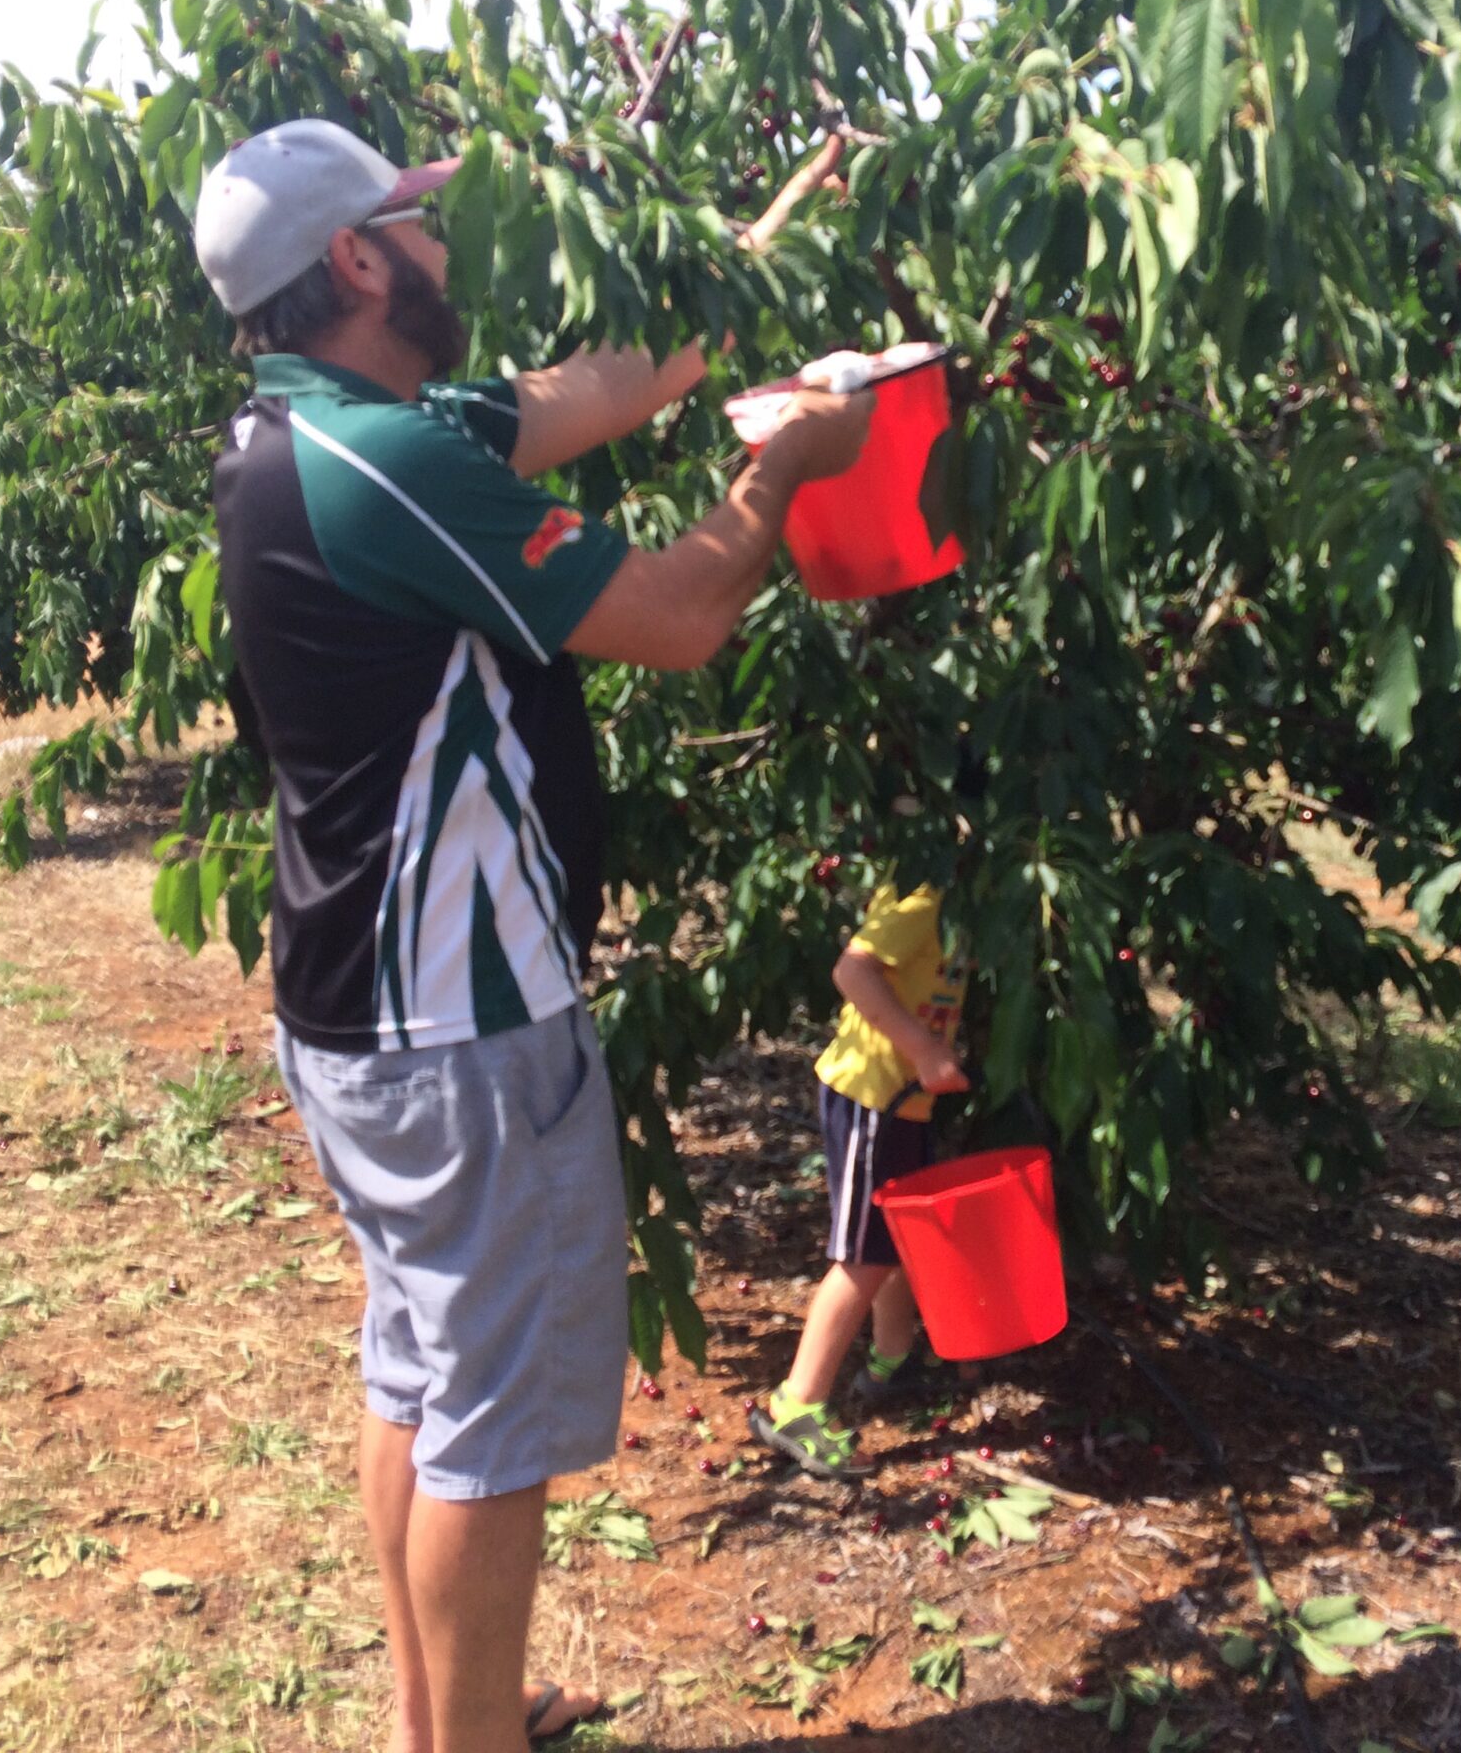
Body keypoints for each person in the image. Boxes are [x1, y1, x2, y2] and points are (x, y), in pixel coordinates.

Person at [191, 118, 870, 1753]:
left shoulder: (318, 432)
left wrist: (762, 253)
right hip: (464, 1030)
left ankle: (448, 1725)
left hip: (356, 1014)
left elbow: (599, 387)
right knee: (489, 1433)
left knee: (420, 1378)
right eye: (414, 228)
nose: (446, 249)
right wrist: (784, 466)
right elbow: (690, 614)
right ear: (357, 263)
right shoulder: (392, 466)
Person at [749, 879, 971, 1478]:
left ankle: (891, 1360)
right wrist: (924, 1049)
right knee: (864, 1255)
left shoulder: (964, 900)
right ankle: (798, 1403)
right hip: (874, 1099)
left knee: (898, 1238)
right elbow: (853, 972)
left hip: (901, 1102)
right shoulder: (925, 898)